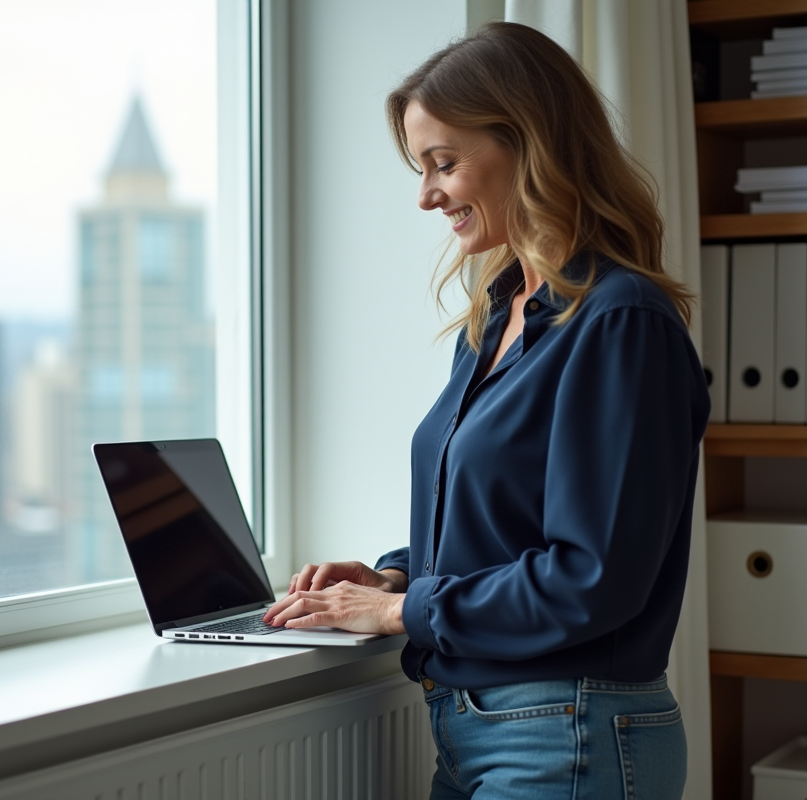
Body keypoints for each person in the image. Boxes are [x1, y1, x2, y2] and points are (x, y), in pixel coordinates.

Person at [263, 21, 710, 800]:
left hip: (566, 733)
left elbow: (591, 578)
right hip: (479, 731)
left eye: (444, 163)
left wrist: (400, 612)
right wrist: (392, 576)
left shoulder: (619, 321)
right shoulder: (495, 318)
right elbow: (509, 525)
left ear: (530, 146)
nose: (427, 194)